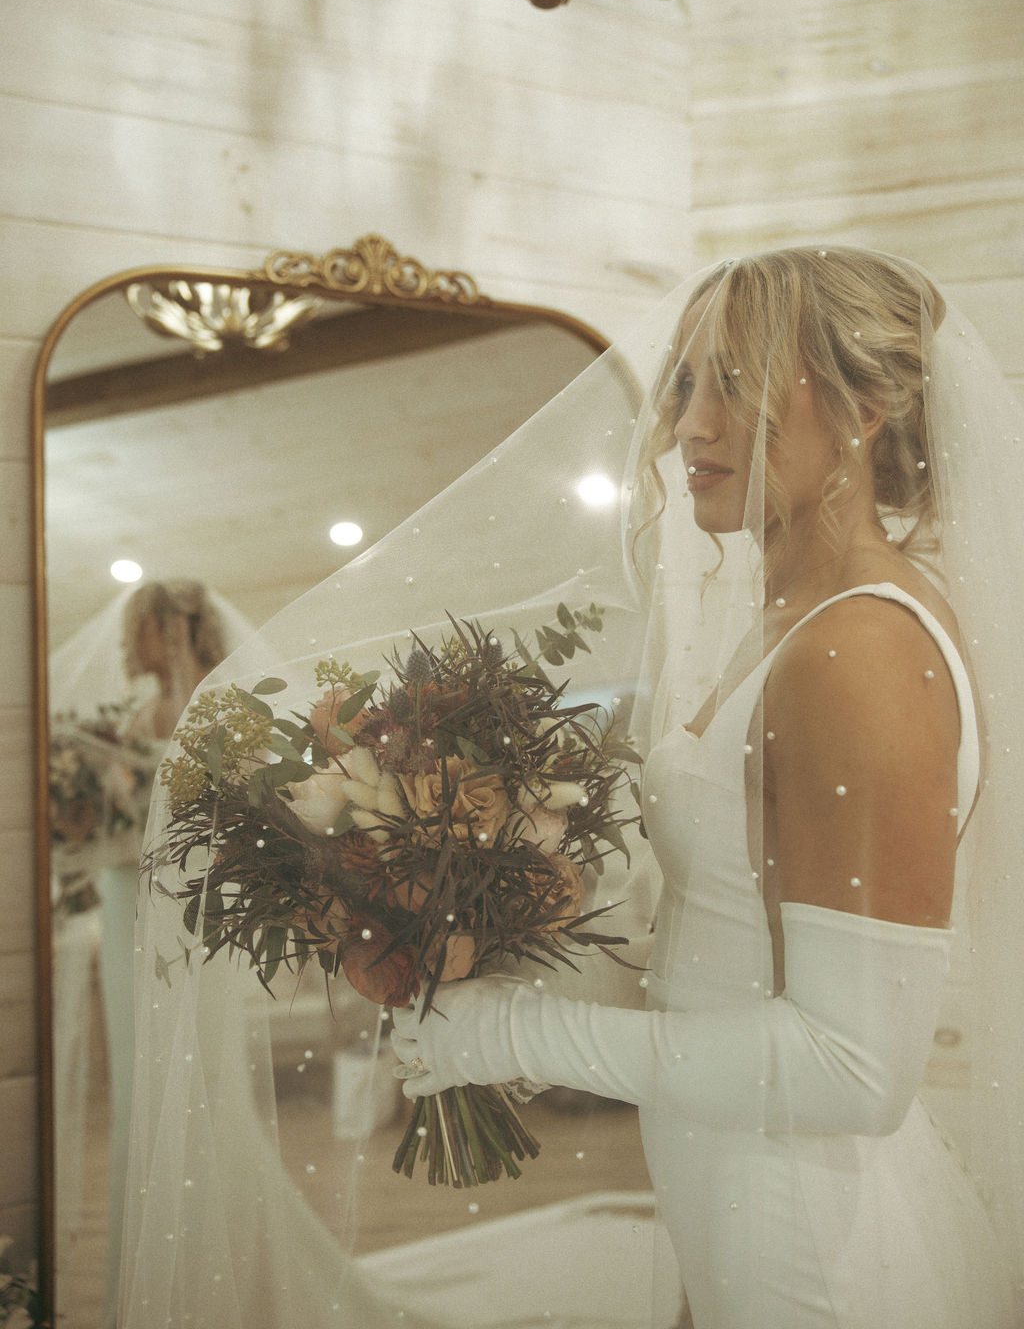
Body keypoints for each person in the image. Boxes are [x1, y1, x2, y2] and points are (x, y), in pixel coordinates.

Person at [122, 250, 1023, 1329]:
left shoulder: (860, 651)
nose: (688, 425)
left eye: (735, 382)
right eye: (684, 384)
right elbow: (727, 953)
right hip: (737, 1201)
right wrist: (487, 934)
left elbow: (852, 1071)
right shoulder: (786, 630)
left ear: (866, 405)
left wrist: (507, 1036)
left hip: (814, 1252)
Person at [49, 580, 248, 1329]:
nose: (126, 647)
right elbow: (114, 811)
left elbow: (235, 820)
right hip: (125, 900)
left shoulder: (222, 708)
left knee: (200, 1076)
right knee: (143, 1079)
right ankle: (155, 1270)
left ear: (168, 628)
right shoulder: (130, 717)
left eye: (137, 630)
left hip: (188, 913)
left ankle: (207, 1260)